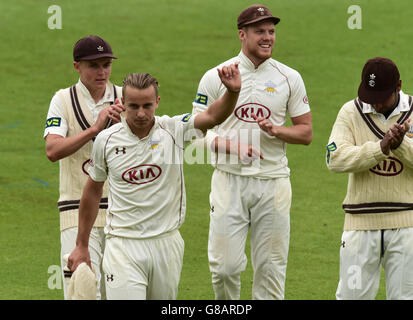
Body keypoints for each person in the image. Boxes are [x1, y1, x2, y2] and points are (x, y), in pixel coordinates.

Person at [68, 65, 241, 300]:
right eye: (134, 106)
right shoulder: (106, 141)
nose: (140, 113)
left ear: (157, 102)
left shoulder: (174, 130)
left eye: (147, 106)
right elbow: (93, 190)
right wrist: (82, 244)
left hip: (166, 244)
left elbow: (211, 116)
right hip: (123, 245)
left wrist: (232, 93)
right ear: (122, 103)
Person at [192, 4, 312, 300]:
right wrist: (233, 147)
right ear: (241, 35)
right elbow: (195, 137)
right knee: (224, 268)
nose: (268, 37)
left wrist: (277, 130)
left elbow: (306, 133)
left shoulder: (289, 78)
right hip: (228, 181)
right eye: (260, 31)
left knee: (271, 269)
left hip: (273, 183)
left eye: (271, 31)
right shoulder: (215, 77)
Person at [44, 35, 124, 299]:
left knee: (120, 290)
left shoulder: (127, 99)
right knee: (82, 291)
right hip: (74, 211)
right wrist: (94, 129)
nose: (102, 72)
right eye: (94, 65)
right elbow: (52, 150)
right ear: (77, 67)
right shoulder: (62, 100)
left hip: (122, 213)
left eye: (106, 65)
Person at [326, 57, 413, 299]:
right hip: (360, 225)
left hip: (408, 226)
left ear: (398, 86)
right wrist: (380, 148)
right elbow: (335, 159)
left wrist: (401, 146)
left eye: (381, 97)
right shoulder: (350, 111)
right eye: (369, 97)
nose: (374, 104)